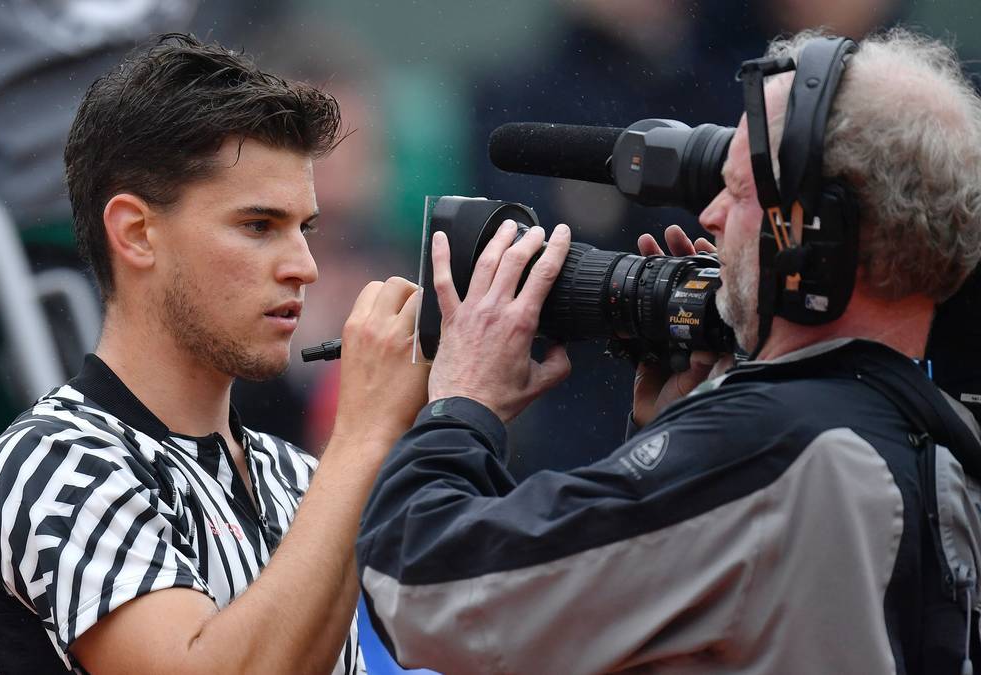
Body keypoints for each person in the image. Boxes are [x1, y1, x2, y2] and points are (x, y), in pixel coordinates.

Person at [357, 28, 981, 674]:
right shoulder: (938, 443)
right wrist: (673, 436)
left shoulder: (775, 453)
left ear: (818, 236)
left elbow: (422, 587)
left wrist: (461, 403)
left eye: (738, 192)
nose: (709, 215)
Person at [0, 33, 428, 674]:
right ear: (135, 233)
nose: (305, 267)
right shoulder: (54, 462)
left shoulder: (298, 477)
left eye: (305, 229)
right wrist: (366, 434)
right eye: (258, 226)